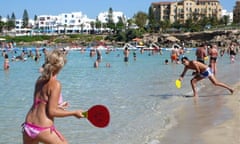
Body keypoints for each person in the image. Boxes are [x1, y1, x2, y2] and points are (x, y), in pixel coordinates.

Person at [22, 49, 84, 144]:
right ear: (60, 67)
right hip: (42, 128)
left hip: (28, 126)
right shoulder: (55, 84)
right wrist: (74, 113)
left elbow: (40, 104)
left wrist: (57, 106)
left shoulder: (39, 80)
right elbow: (52, 112)